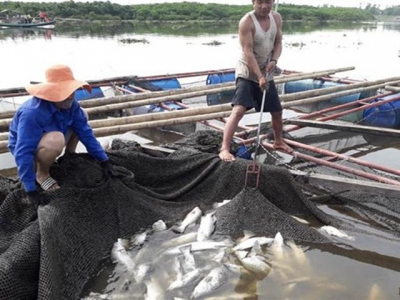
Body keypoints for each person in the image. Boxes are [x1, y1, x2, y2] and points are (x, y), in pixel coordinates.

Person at [8, 64, 117, 210]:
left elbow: (86, 133)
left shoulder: (72, 105)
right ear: (51, 93)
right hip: (31, 148)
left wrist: (104, 160)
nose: (71, 96)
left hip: (54, 135)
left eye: (71, 91)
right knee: (56, 139)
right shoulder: (32, 113)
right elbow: (23, 151)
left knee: (83, 115)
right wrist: (30, 189)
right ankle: (42, 173)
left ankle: (69, 156)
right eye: (64, 92)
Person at [219, 0, 292, 162]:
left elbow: (278, 42)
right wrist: (258, 77)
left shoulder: (276, 18)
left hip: (267, 70)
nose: (264, 6)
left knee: (277, 111)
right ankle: (224, 148)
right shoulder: (247, 22)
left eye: (268, 2)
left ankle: (278, 141)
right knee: (239, 110)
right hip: (247, 72)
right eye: (260, 2)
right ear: (253, 3)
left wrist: (274, 60)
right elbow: (248, 52)